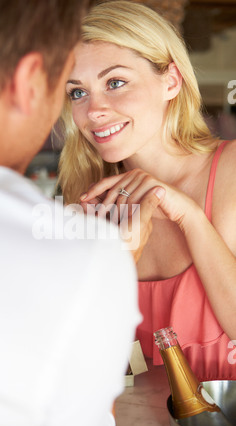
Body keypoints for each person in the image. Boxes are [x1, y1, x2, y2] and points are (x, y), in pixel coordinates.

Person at [0, 0, 143, 426]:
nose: (89, 111)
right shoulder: (80, 254)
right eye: (69, 89)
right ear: (30, 82)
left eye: (115, 82)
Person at [58, 0, 236, 382]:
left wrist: (189, 216)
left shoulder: (231, 172)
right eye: (77, 92)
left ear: (171, 81)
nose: (94, 110)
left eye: (115, 83)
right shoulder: (88, 204)